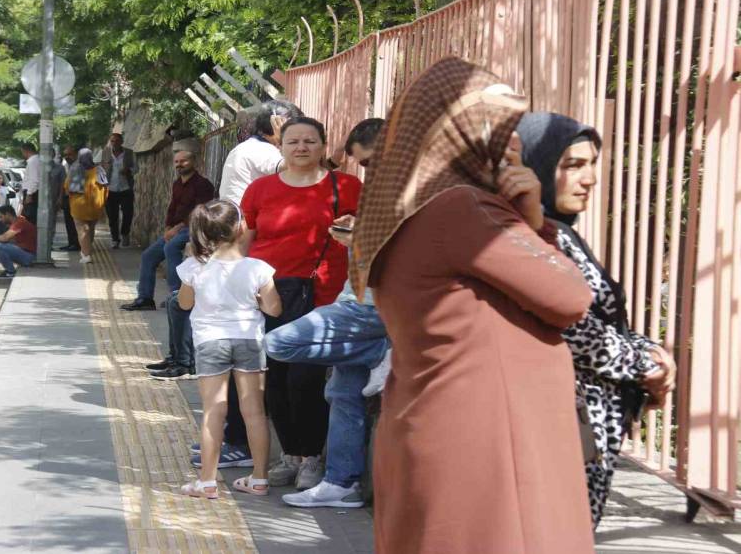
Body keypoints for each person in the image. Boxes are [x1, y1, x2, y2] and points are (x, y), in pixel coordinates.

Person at [351, 58, 595, 553]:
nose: (514, 146)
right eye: (500, 128)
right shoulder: (462, 208)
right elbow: (572, 296)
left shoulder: (409, 206)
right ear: (459, 131)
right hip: (489, 447)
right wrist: (536, 223)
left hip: (450, 424)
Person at [516, 111, 677, 528]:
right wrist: (648, 363)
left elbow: (595, 321)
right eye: (572, 165)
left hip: (588, 424)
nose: (588, 178)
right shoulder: (532, 236)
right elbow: (574, 329)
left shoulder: (560, 232)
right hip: (561, 426)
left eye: (591, 165)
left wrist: (650, 351)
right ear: (535, 166)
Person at [264, 118, 388, 509]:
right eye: (293, 141)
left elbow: (407, 254)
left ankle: (377, 352)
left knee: (277, 345)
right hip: (348, 297)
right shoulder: (380, 189)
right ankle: (342, 481)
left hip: (370, 306)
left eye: (371, 162)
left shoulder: (401, 188)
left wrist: (359, 237)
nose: (368, 171)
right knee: (342, 392)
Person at [240, 116, 362, 490]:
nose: (301, 148)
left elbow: (369, 235)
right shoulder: (260, 190)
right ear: (281, 146)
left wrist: (353, 230)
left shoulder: (348, 187)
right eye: (293, 141)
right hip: (270, 295)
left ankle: (312, 456)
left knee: (305, 378)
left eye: (310, 141)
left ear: (324, 146)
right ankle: (290, 454)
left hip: (323, 295)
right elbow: (246, 240)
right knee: (274, 376)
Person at [177, 200, 281, 500]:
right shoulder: (258, 268)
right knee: (255, 412)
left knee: (214, 411)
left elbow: (185, 304)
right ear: (241, 227)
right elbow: (274, 309)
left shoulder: (194, 266)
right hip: (249, 339)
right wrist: (256, 301)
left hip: (210, 341)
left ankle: (207, 482)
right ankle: (260, 478)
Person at [121, 150, 214, 313]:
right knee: (148, 256)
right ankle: (145, 298)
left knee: (171, 248)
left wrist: (176, 229)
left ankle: (176, 295)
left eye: (183, 161)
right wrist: (168, 227)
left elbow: (200, 212)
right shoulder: (177, 184)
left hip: (193, 228)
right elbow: (172, 209)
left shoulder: (203, 185)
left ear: (194, 161)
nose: (179, 165)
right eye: (177, 162)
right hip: (176, 229)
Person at [218, 100, 303, 204]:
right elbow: (294, 167)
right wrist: (285, 140)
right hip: (247, 217)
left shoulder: (250, 146)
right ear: (277, 124)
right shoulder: (262, 150)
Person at [65, 148, 108, 264]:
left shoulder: (75, 168)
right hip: (96, 205)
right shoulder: (99, 169)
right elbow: (105, 187)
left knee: (82, 229)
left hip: (79, 205)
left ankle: (86, 255)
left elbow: (68, 187)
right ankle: (88, 249)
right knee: (90, 228)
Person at [100, 133, 136, 249]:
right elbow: (97, 167)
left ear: (121, 142)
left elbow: (136, 168)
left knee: (128, 213)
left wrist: (128, 170)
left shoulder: (129, 153)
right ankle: (115, 239)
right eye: (112, 141)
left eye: (116, 141)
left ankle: (125, 233)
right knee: (112, 216)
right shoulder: (105, 152)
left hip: (126, 188)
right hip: (110, 189)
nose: (114, 143)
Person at [0, 205, 37, 279]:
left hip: (30, 257)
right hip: (28, 255)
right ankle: (10, 271)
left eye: (1, 217)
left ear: (7, 214)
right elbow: (10, 240)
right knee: (2, 245)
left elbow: (5, 238)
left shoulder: (19, 222)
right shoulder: (18, 222)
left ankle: (10, 272)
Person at [57, 146, 81, 252]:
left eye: (69, 154)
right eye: (65, 155)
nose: (67, 157)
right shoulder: (68, 165)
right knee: (69, 222)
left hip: (75, 197)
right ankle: (72, 243)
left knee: (73, 222)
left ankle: (76, 243)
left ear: (75, 154)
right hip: (69, 197)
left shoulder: (78, 166)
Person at [20, 142, 41, 224]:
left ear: (26, 151)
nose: (23, 154)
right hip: (32, 192)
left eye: (22, 152)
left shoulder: (33, 161)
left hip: (32, 193)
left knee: (29, 218)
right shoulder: (36, 160)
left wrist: (29, 194)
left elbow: (34, 179)